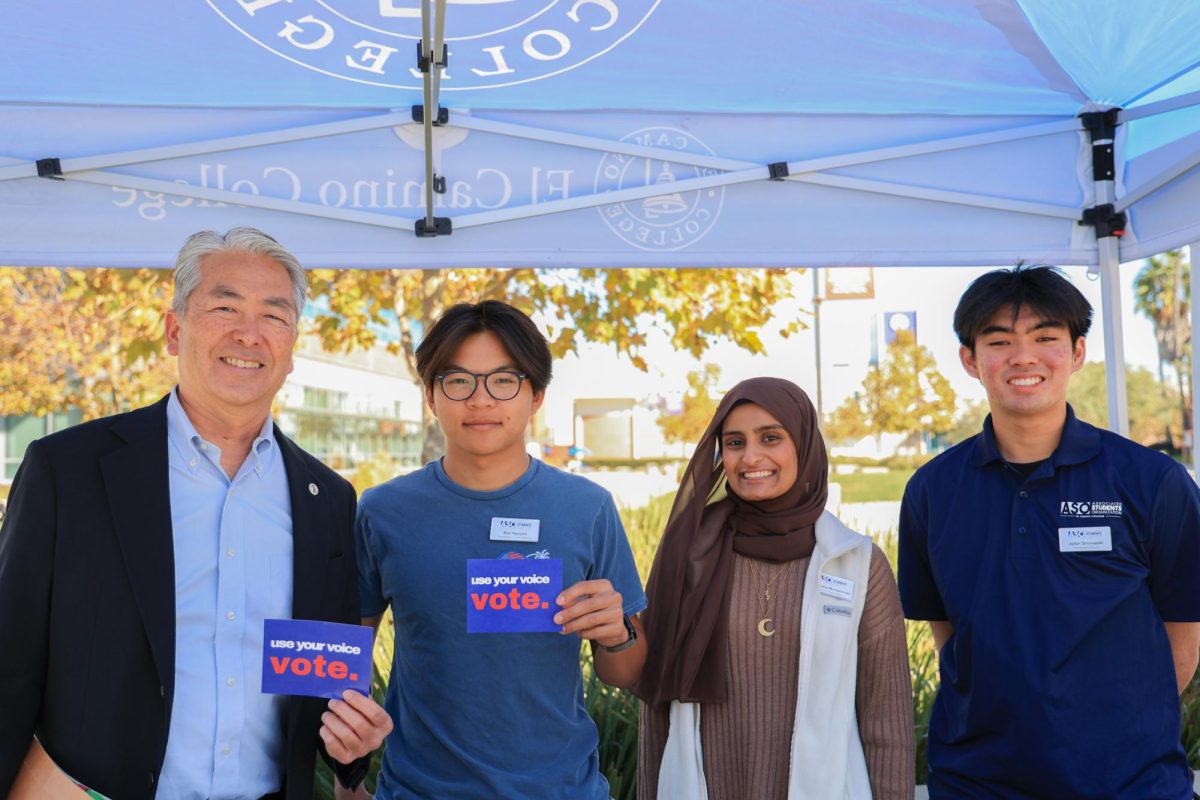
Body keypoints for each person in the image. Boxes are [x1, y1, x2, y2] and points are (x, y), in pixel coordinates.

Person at [0, 227, 391, 800]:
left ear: (291, 348)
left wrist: (352, 746)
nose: (249, 334)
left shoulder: (327, 498)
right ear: (174, 329)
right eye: (225, 306)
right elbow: (9, 660)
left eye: (274, 316)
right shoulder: (71, 470)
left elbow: (320, 679)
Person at [899, 265, 1200, 798]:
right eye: (999, 340)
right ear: (970, 359)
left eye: (1045, 338)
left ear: (1077, 352)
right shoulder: (932, 490)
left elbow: (1185, 630)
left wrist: (1112, 729)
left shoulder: (1152, 481)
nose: (1023, 357)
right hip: (977, 783)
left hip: (1130, 783)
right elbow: (949, 629)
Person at [355, 300, 648, 799]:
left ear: (535, 396)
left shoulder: (587, 508)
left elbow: (627, 671)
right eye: (458, 381)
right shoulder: (383, 511)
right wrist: (347, 783)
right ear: (431, 396)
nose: (481, 400)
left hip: (562, 790)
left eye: (504, 380)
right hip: (418, 791)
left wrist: (616, 632)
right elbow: (349, 663)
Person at [636, 377, 913, 800]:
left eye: (770, 437)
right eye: (733, 442)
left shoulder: (857, 562)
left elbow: (886, 720)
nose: (751, 457)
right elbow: (656, 705)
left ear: (803, 443)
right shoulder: (690, 554)